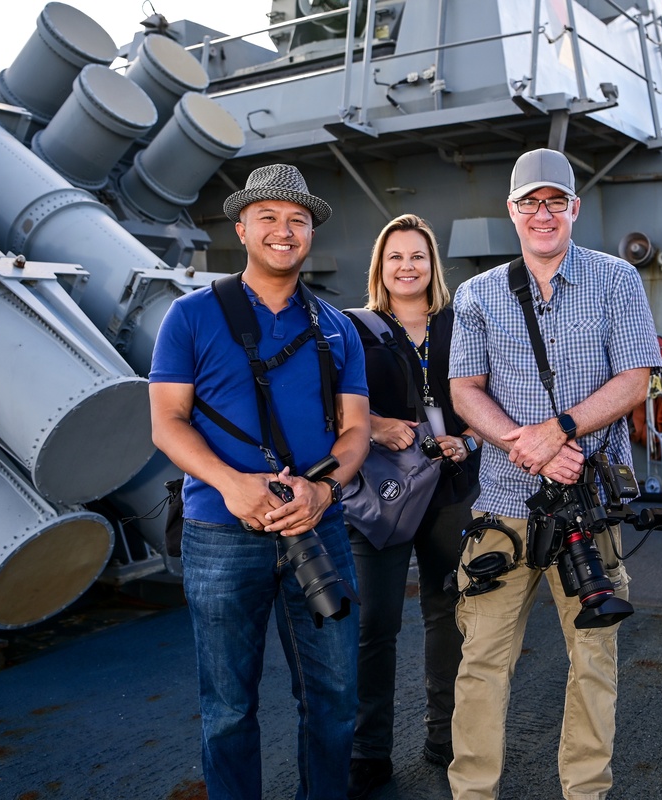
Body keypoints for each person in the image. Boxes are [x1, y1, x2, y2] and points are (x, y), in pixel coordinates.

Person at [148, 164, 370, 800]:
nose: (284, 229)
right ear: (241, 227)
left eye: (297, 219)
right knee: (227, 709)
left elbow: (355, 432)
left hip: (316, 525)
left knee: (334, 700)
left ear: (310, 234)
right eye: (268, 217)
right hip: (221, 534)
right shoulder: (188, 318)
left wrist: (323, 492)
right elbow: (167, 422)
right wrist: (231, 484)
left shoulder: (337, 326)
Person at [447, 148, 661, 799]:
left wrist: (560, 432)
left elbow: (637, 377)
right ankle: (472, 793)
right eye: (529, 202)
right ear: (512, 211)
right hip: (507, 506)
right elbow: (464, 390)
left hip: (589, 504)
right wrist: (526, 444)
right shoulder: (477, 294)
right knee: (482, 662)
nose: (543, 214)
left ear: (573, 208)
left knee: (593, 660)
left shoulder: (617, 279)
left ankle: (585, 791)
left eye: (555, 201)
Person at [344, 213, 481, 799]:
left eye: (418, 256)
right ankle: (367, 749)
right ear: (381, 267)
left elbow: (488, 396)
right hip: (380, 493)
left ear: (433, 266)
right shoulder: (354, 328)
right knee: (374, 623)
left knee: (447, 613)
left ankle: (444, 738)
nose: (407, 266)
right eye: (395, 256)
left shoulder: (461, 325)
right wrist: (374, 425)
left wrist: (468, 439)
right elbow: (332, 401)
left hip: (450, 489)